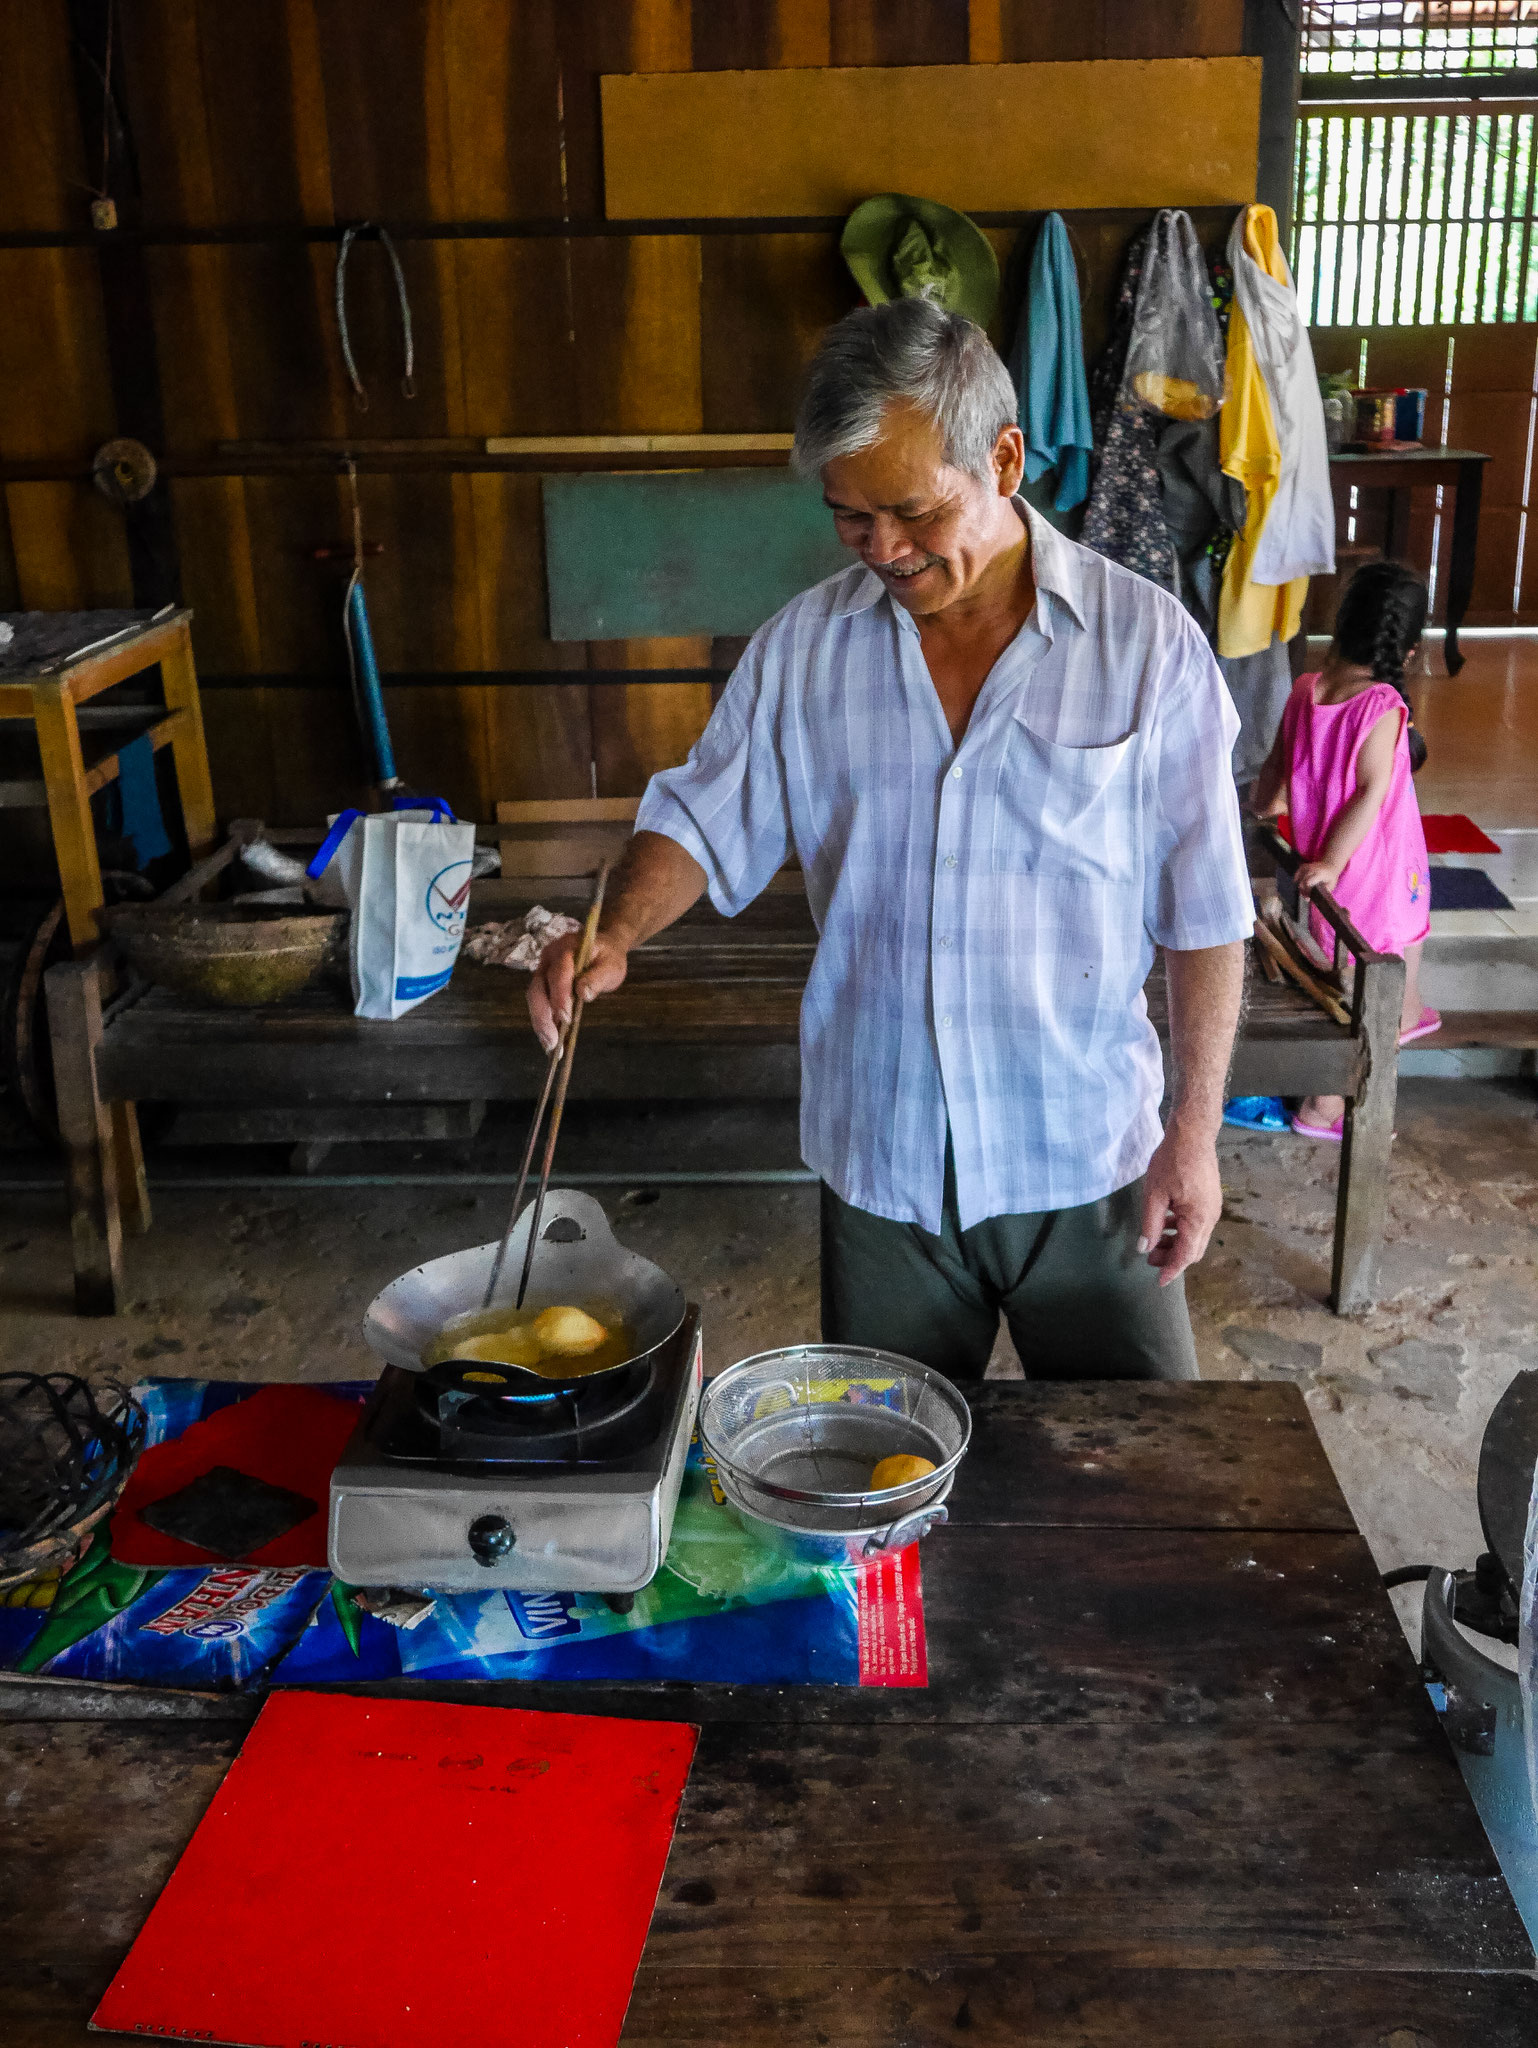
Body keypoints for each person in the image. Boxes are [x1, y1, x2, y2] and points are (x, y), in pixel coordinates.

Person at [529, 298, 1254, 1382]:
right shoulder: (804, 651)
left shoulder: (1143, 648)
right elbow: (701, 810)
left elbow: (1203, 912)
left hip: (1081, 1154)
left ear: (1003, 459)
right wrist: (616, 928)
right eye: (850, 519)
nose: (885, 549)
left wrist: (1191, 1133)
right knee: (887, 1490)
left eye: (911, 511)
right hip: (884, 1159)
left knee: (1139, 1480)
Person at [1251, 558, 1437, 1142]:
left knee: (1358, 959)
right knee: (1380, 956)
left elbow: (1276, 772)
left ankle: (1405, 1015)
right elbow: (1372, 790)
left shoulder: (1308, 688)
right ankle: (1323, 1106)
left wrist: (1264, 805)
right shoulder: (1381, 705)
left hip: (1322, 864)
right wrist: (1332, 862)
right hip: (1367, 865)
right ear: (1406, 650)